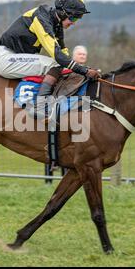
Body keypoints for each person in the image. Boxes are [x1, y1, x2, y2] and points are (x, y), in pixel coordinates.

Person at [0, 0, 101, 96]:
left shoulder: (56, 23)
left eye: (78, 19)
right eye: (73, 18)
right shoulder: (42, 19)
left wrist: (81, 68)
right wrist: (84, 71)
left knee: (63, 67)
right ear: (63, 13)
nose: (74, 23)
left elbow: (63, 51)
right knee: (54, 64)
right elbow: (56, 54)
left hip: (19, 57)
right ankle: (41, 104)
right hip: (8, 59)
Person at [44, 45, 88, 183]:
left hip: (79, 107)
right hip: (61, 104)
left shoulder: (88, 72)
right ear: (73, 57)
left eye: (84, 54)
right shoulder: (64, 71)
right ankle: (48, 178)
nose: (82, 56)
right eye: (80, 54)